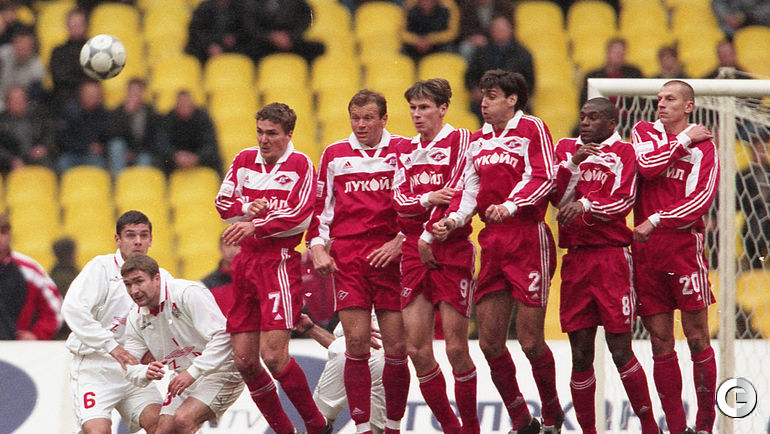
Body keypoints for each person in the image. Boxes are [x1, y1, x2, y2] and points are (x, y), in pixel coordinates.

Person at [434, 69, 563, 433]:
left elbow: (544, 176)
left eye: (491, 97)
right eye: (483, 96)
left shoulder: (531, 128)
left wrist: (510, 205)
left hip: (527, 237)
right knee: (490, 342)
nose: (484, 103)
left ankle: (552, 414)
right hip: (492, 241)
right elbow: (469, 189)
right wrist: (453, 220)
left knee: (530, 341)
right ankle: (521, 419)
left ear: (512, 100)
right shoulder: (477, 141)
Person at [214, 102, 330, 434]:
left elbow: (301, 215)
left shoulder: (301, 165)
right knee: (244, 361)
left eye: (272, 133)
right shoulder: (244, 159)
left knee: (274, 357)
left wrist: (257, 224)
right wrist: (247, 206)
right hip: (245, 263)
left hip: (278, 262)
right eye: (260, 132)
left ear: (288, 134)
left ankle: (316, 425)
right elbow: (223, 204)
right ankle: (284, 431)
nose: (264, 140)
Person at [551, 98, 659, 434]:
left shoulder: (625, 152)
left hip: (611, 258)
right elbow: (556, 198)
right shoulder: (566, 149)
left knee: (620, 349)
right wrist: (572, 164)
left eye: (594, 117)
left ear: (611, 123)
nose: (585, 122)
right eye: (583, 116)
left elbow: (623, 201)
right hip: (576, 259)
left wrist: (585, 204)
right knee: (581, 353)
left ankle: (649, 426)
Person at [306, 89, 409, 434]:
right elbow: (320, 210)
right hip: (349, 258)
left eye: (368, 118)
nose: (361, 124)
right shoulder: (334, 154)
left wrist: (400, 240)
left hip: (391, 256)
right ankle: (363, 427)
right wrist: (317, 247)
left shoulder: (403, 150)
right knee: (356, 343)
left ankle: (392, 427)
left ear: (384, 119)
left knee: (396, 347)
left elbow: (416, 205)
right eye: (355, 118)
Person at [391, 78, 478, 434]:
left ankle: (471, 428)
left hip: (451, 247)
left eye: (424, 107)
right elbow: (400, 202)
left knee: (456, 348)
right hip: (413, 249)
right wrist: (428, 198)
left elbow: (458, 192)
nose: (417, 114)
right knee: (416, 349)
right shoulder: (405, 149)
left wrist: (435, 223)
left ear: (443, 109)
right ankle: (451, 428)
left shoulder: (461, 140)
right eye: (413, 108)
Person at [631, 80, 719, 434]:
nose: (661, 104)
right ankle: (677, 428)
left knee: (697, 337)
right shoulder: (643, 132)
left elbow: (700, 201)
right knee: (660, 341)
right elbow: (647, 166)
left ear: (688, 107)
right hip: (646, 253)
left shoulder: (705, 147)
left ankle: (705, 425)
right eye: (659, 99)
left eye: (670, 99)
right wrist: (683, 140)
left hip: (683, 250)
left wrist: (656, 219)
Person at [60, 210, 165, 434]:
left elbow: (169, 320)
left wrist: (157, 348)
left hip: (133, 368)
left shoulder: (161, 278)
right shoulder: (100, 268)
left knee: (162, 425)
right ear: (117, 239)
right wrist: (112, 346)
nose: (138, 241)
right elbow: (73, 309)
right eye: (130, 235)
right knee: (98, 431)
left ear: (151, 240)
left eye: (144, 235)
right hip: (95, 366)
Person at [121, 254, 244, 433]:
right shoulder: (135, 317)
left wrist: (192, 372)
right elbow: (128, 363)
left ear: (157, 279)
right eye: (128, 284)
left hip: (222, 369)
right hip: (184, 377)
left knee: (184, 419)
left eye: (139, 281)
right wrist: (143, 372)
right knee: (163, 431)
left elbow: (223, 337)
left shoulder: (187, 293)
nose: (134, 290)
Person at [295, 313, 387, 434]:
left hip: (348, 349)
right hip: (385, 355)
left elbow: (345, 348)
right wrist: (311, 329)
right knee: (373, 430)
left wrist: (311, 329)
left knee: (319, 423)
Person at [0, 214, 62, 341]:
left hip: (17, 348)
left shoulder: (28, 270)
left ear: (10, 236)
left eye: (3, 232)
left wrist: (37, 334)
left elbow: (56, 307)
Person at [464, 15, 534, 123]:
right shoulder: (481, 52)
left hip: (512, 100)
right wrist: (476, 89)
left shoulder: (523, 54)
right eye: (496, 29)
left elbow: (529, 82)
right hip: (485, 99)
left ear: (511, 29)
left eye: (502, 29)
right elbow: (470, 76)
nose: (499, 32)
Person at [156, 90, 221, 175]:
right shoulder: (167, 119)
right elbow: (162, 143)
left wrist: (197, 157)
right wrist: (175, 156)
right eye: (182, 104)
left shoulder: (203, 118)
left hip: (200, 157)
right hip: (175, 159)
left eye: (187, 104)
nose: (184, 106)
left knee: (216, 160)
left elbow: (210, 143)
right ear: (176, 105)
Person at [106, 78, 161, 178]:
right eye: (132, 91)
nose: (134, 94)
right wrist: (126, 115)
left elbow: (152, 138)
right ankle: (119, 180)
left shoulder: (150, 112)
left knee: (144, 159)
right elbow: (113, 133)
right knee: (116, 145)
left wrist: (135, 152)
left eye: (138, 91)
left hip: (142, 151)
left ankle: (140, 184)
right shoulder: (119, 111)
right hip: (124, 150)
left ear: (143, 93)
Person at [55, 79, 111, 173]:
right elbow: (62, 139)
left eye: (95, 95)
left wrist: (101, 147)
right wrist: (86, 147)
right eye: (89, 94)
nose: (92, 98)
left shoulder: (104, 114)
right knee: (63, 162)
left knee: (99, 164)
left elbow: (108, 137)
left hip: (93, 156)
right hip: (71, 153)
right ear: (81, 95)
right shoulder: (69, 112)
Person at [243, 0, 325, 63]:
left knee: (317, 48)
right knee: (245, 50)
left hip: (291, 41)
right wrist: (271, 36)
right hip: (263, 43)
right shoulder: (250, 4)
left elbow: (306, 19)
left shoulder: (296, 2)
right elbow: (250, 27)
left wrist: (291, 36)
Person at [0, 85, 55, 170]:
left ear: (26, 101)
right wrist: (10, 159)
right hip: (11, 161)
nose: (18, 102)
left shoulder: (38, 116)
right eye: (14, 100)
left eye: (21, 99)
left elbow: (50, 134)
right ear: (7, 103)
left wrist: (43, 147)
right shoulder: (2, 121)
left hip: (37, 157)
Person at [736, 132, 770, 270]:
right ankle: (755, 268)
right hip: (754, 215)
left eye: (763, 149)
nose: (760, 153)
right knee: (753, 231)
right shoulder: (743, 174)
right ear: (751, 151)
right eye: (757, 149)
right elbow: (737, 201)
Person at [579, 38, 643, 107]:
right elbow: (584, 102)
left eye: (622, 53)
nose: (619, 56)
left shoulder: (634, 74)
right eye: (616, 52)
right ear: (607, 53)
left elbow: (640, 100)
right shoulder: (593, 76)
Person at [185, 0, 252, 64]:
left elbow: (245, 30)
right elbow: (196, 31)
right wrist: (209, 46)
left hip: (231, 49)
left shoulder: (240, 8)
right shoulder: (204, 7)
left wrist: (234, 37)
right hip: (204, 50)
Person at [49, 8, 90, 109]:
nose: (75, 27)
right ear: (67, 26)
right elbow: (59, 78)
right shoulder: (58, 51)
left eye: (79, 24)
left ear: (86, 26)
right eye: (72, 24)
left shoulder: (93, 50)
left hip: (90, 96)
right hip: (66, 98)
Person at [0, 25, 44, 109]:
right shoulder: (3, 55)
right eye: (18, 43)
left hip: (22, 106)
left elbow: (34, 98)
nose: (21, 46)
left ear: (32, 47)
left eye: (26, 44)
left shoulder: (37, 68)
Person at [200, 232, 241, 315]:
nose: (232, 250)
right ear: (220, 248)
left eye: (236, 245)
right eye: (227, 245)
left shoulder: (254, 278)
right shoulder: (206, 284)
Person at [51, 237, 79, 340]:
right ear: (72, 253)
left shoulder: (49, 277)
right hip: (75, 332)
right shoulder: (79, 278)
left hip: (55, 332)